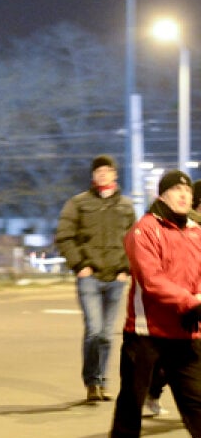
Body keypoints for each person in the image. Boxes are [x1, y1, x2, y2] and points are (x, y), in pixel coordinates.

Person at [107, 169, 201, 438]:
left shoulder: (196, 232)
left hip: (186, 331)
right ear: (162, 195)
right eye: (176, 190)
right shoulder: (144, 230)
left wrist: (197, 300)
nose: (184, 195)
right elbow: (151, 281)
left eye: (187, 191)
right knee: (132, 399)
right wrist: (190, 302)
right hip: (146, 333)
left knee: (197, 404)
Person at [55, 154, 135, 403]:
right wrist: (79, 265)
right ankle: (91, 381)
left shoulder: (125, 206)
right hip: (89, 276)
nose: (103, 174)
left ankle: (101, 381)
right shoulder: (77, 204)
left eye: (107, 170)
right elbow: (64, 236)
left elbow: (135, 241)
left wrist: (126, 269)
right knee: (94, 330)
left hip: (116, 277)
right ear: (93, 176)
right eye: (98, 171)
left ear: (115, 174)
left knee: (107, 335)